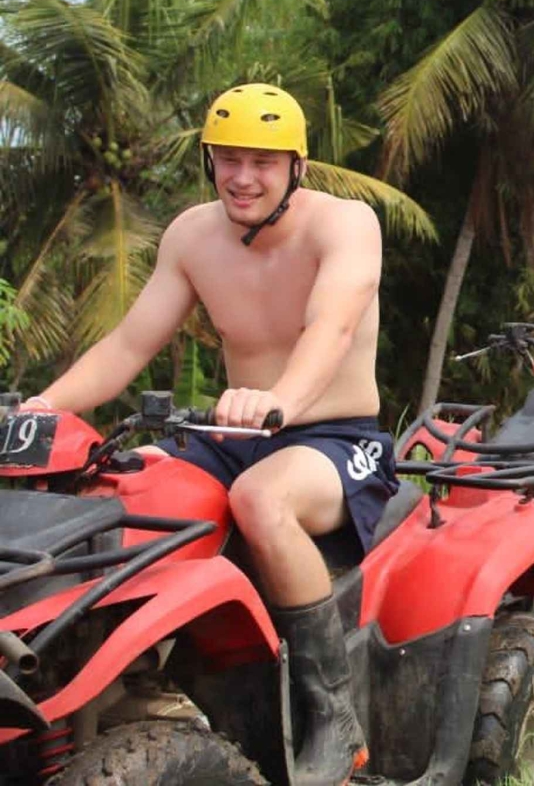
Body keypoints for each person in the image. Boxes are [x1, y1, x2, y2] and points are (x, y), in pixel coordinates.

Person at [17, 83, 392, 785]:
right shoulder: (193, 235)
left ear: (296, 167)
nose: (243, 177)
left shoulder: (346, 224)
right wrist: (39, 407)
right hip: (231, 434)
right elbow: (128, 345)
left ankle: (335, 717)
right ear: (208, 161)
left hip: (334, 438)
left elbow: (333, 326)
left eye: (262, 162)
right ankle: (121, 679)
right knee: (113, 490)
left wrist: (280, 400)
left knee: (261, 500)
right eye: (228, 159)